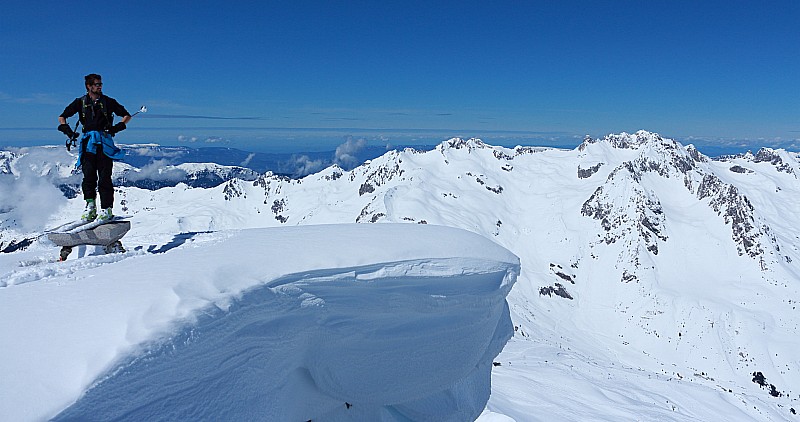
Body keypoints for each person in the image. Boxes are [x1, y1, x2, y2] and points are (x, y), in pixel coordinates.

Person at [58, 74, 131, 222]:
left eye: (100, 84)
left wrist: (117, 127)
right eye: (97, 84)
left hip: (103, 142)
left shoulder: (108, 102)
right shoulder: (80, 103)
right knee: (89, 176)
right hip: (89, 143)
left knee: (104, 177)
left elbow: (126, 115)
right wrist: (67, 130)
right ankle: (90, 205)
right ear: (88, 86)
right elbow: (62, 116)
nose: (100, 86)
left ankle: (106, 209)